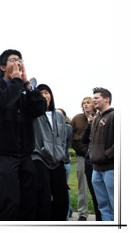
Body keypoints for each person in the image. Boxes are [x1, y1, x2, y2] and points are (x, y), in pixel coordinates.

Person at [0, 49, 46, 221]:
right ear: (3, 67)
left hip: (25, 153)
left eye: (20, 60)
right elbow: (4, 102)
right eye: (13, 60)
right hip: (4, 152)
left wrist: (27, 84)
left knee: (30, 199)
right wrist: (17, 81)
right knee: (10, 200)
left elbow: (40, 108)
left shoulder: (23, 89)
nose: (18, 63)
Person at [32, 84, 68, 221]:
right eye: (40, 93)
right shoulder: (34, 114)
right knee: (44, 198)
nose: (44, 96)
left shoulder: (58, 116)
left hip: (57, 160)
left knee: (62, 198)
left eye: (47, 93)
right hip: (40, 158)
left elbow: (63, 138)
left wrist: (61, 153)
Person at [82, 87, 114, 221]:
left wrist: (107, 154)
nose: (93, 100)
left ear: (107, 99)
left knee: (114, 203)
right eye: (93, 98)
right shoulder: (95, 119)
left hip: (110, 168)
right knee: (103, 205)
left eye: (97, 98)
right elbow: (87, 140)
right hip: (96, 168)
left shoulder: (114, 116)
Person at [71, 97, 95, 221]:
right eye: (84, 103)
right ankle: (82, 213)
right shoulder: (76, 119)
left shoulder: (99, 117)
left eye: (88, 103)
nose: (86, 105)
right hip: (81, 156)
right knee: (82, 186)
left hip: (97, 158)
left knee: (98, 186)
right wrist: (79, 149)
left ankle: (100, 211)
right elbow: (71, 136)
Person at [56, 108, 74, 220]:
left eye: (60, 115)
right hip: (55, 162)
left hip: (64, 162)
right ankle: (70, 209)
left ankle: (66, 214)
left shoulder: (67, 128)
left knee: (63, 188)